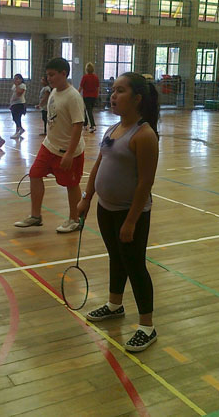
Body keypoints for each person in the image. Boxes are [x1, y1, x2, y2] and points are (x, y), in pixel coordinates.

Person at [77, 72, 160, 352]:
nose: (113, 96)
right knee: (116, 258)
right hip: (106, 209)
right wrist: (87, 198)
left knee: (135, 267)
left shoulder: (144, 135)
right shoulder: (112, 130)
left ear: (137, 98)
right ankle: (115, 305)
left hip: (130, 213)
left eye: (120, 91)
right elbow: (98, 165)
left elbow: (145, 183)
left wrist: (131, 221)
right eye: (113, 90)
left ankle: (147, 326)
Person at [14, 57, 85, 233]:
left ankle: (75, 219)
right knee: (34, 174)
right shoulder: (54, 91)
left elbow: (78, 125)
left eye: (52, 75)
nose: (49, 78)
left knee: (71, 185)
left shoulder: (73, 97)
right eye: (47, 75)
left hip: (68, 151)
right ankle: (35, 216)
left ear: (64, 74)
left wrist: (69, 153)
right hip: (49, 146)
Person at [79, 62, 100, 133]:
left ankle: (92, 126)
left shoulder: (85, 77)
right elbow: (98, 87)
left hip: (87, 96)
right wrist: (97, 95)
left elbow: (81, 87)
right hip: (94, 96)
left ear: (86, 69)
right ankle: (85, 124)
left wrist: (77, 94)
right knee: (87, 110)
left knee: (88, 111)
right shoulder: (96, 77)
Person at [9, 74, 27, 139]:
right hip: (14, 104)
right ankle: (20, 129)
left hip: (20, 104)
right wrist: (11, 103)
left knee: (17, 118)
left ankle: (18, 131)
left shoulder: (22, 85)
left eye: (17, 79)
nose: (15, 80)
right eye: (15, 79)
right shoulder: (14, 86)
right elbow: (13, 95)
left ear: (21, 79)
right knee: (15, 118)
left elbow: (19, 94)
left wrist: (16, 85)